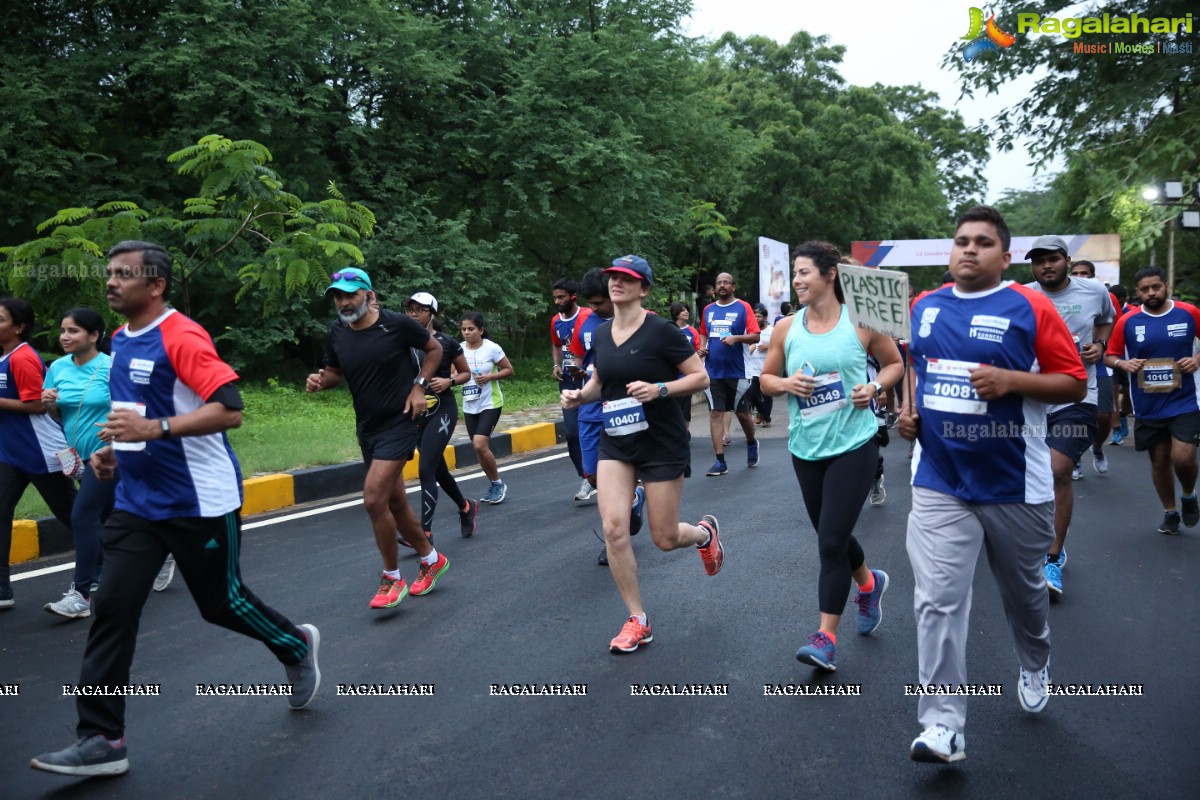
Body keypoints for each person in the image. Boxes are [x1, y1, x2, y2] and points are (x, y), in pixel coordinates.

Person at [31, 241, 320, 777]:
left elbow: (229, 409)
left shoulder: (181, 336)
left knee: (221, 603)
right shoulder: (121, 339)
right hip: (137, 503)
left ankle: (294, 643)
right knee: (112, 608)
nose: (111, 283)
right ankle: (101, 740)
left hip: (199, 501)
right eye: (109, 274)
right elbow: (133, 413)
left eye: (123, 275)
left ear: (156, 285)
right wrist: (114, 450)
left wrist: (155, 430)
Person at [899, 207, 1086, 764]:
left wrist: (1011, 381)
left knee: (1024, 595)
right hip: (939, 478)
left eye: (983, 243)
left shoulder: (1030, 305)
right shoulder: (924, 306)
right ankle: (942, 726)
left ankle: (1034, 661)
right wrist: (908, 416)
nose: (969, 250)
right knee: (936, 600)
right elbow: (917, 369)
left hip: (1014, 485)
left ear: (1004, 257)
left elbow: (1073, 381)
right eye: (961, 241)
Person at [562, 255, 718, 652]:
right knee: (614, 528)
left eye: (627, 279)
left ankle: (703, 535)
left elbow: (700, 376)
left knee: (664, 538)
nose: (617, 283)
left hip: (660, 441)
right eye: (613, 277)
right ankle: (638, 619)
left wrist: (660, 389)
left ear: (643, 288)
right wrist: (581, 395)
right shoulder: (598, 332)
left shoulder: (661, 331)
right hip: (617, 439)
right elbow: (599, 379)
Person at [760, 241, 901, 671]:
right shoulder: (787, 327)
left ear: (830, 275)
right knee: (831, 533)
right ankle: (869, 583)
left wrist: (874, 388)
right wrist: (787, 386)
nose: (797, 280)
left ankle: (824, 638)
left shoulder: (863, 321)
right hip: (806, 448)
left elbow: (895, 364)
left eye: (804, 272)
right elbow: (766, 379)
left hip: (855, 444)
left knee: (830, 543)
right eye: (795, 274)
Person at [307, 267, 448, 608]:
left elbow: (434, 351)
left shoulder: (395, 324)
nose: (343, 302)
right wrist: (321, 381)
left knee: (373, 500)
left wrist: (419, 386)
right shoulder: (338, 332)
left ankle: (392, 578)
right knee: (395, 502)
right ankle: (432, 561)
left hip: (400, 422)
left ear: (368, 295)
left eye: (350, 295)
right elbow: (336, 373)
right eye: (338, 296)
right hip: (367, 427)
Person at [1024, 237, 1114, 595]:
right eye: (1039, 261)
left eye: (1053, 259)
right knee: (1023, 474)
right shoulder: (1021, 296)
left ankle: (1052, 557)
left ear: (1067, 260)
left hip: (1078, 395)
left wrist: (1101, 344)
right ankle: (1025, 540)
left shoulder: (1093, 291)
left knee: (1058, 469)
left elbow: (1107, 320)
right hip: (1030, 400)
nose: (1046, 266)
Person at [1104, 266, 1200, 535]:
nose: (1151, 293)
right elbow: (1109, 355)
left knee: (1182, 457)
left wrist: (1196, 360)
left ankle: (1189, 495)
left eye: (1156, 287)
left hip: (1186, 401)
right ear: (1138, 292)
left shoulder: (1188, 312)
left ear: (1166, 286)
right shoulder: (1127, 322)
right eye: (1145, 289)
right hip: (1147, 405)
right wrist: (1124, 362)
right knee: (1159, 461)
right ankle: (1170, 512)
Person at [0, 297, 76, 610]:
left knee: (74, 515)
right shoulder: (4, 357)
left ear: (18, 327)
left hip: (42, 453)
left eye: (0, 319)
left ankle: (138, 554)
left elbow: (36, 405)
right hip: (10, 455)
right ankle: (2, 590)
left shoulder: (22, 357)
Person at [41, 308, 115, 619]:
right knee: (112, 518)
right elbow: (59, 416)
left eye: (73, 331)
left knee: (83, 516)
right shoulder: (57, 367)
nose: (65, 337)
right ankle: (159, 551)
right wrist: (50, 405)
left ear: (94, 336)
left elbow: (132, 409)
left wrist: (114, 444)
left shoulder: (111, 367)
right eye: (63, 330)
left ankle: (81, 594)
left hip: (111, 454)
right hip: (78, 456)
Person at [571, 269, 646, 566]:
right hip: (590, 409)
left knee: (619, 473)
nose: (594, 308)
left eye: (598, 302)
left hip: (623, 408)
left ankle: (615, 538)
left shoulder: (638, 322)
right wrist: (574, 372)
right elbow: (579, 358)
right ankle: (633, 503)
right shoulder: (585, 325)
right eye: (589, 303)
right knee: (591, 474)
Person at [403, 292, 479, 540]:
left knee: (426, 469)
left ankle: (423, 533)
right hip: (416, 413)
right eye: (410, 310)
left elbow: (466, 373)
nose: (413, 314)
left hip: (442, 410)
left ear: (432, 313)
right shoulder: (402, 341)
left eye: (419, 310)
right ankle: (466, 507)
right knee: (438, 469)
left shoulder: (447, 342)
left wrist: (449, 381)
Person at [698, 272, 761, 475]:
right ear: (715, 288)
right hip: (713, 371)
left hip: (739, 371)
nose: (722, 285)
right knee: (715, 413)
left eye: (726, 282)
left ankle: (751, 442)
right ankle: (720, 461)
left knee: (742, 413)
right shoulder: (708, 309)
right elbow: (703, 332)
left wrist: (736, 339)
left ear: (733, 287)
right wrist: (702, 347)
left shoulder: (743, 307)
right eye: (719, 283)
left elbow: (755, 336)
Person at [1070, 259, 1120, 472]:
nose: (1081, 277)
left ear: (1093, 275)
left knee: (1103, 416)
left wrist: (1101, 345)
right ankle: (1074, 455)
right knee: (1073, 415)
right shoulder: (1062, 296)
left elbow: (1113, 327)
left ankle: (1097, 447)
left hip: (1098, 364)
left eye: (1085, 273)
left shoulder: (1104, 296)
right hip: (1070, 366)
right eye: (1076, 273)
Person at [459, 311, 514, 504]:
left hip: (491, 403)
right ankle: (494, 483)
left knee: (480, 444)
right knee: (479, 449)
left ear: (481, 330)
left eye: (471, 329)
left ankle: (498, 484)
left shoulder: (492, 348)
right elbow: (453, 372)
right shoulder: (459, 349)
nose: (467, 333)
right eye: (464, 329)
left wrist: (489, 377)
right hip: (469, 403)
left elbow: (509, 369)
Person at [550, 278, 594, 502]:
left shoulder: (587, 316)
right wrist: (556, 365)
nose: (557, 301)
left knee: (596, 427)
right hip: (568, 382)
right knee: (571, 433)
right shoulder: (555, 322)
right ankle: (586, 476)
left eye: (561, 297)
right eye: (555, 297)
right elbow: (557, 345)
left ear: (573, 296)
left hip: (590, 380)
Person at [669, 301, 701, 430]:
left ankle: (684, 433)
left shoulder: (692, 331)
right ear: (675, 313)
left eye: (687, 309)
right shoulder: (668, 329)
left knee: (685, 410)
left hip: (687, 377)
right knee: (671, 409)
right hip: (669, 377)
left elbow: (698, 350)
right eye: (682, 310)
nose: (686, 312)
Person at [746, 304, 774, 428]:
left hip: (767, 368)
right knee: (752, 394)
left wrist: (768, 347)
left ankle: (766, 418)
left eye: (759, 316)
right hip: (752, 369)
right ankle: (762, 413)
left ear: (765, 317)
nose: (756, 318)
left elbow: (780, 346)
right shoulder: (749, 331)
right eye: (755, 316)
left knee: (767, 394)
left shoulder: (772, 331)